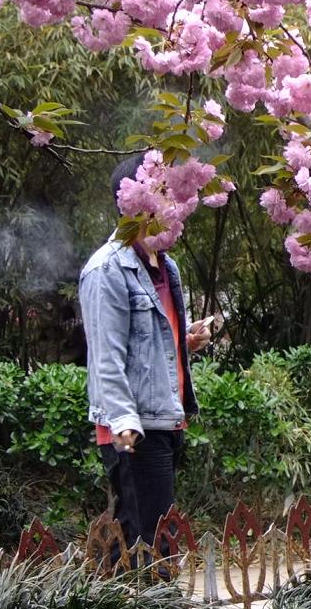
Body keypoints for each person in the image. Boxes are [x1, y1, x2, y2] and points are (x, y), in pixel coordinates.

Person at [79, 154, 216, 556]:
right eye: (166, 195)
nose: (176, 207)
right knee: (154, 545)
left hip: (164, 417)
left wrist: (184, 342)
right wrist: (123, 424)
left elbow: (147, 341)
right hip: (134, 426)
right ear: (137, 202)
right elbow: (106, 356)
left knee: (144, 538)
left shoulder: (164, 265)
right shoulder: (107, 270)